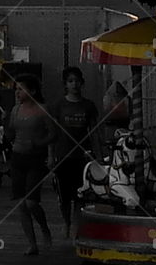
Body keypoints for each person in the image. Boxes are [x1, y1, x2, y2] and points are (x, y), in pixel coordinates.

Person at [6, 74, 55, 255]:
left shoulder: (43, 109)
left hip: (36, 159)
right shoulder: (15, 110)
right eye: (16, 89)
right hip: (18, 157)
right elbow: (11, 132)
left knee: (31, 202)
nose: (18, 92)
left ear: (32, 90)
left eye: (21, 89)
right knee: (21, 204)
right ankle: (32, 243)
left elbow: (53, 134)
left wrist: (43, 147)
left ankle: (44, 228)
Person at [49, 67, 100, 238]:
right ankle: (66, 222)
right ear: (65, 84)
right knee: (64, 196)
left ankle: (76, 227)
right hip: (63, 155)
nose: (74, 84)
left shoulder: (88, 106)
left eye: (77, 81)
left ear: (82, 83)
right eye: (71, 81)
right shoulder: (58, 106)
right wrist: (50, 155)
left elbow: (94, 131)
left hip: (82, 157)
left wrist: (98, 155)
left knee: (80, 194)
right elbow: (53, 133)